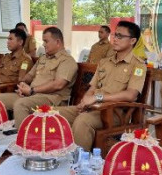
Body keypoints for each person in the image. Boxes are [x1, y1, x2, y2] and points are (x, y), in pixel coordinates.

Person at [56, 21, 146, 150]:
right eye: (115, 35)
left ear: (132, 41)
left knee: (83, 121)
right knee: (53, 114)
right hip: (92, 107)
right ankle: (56, 155)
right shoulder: (104, 62)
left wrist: (97, 98)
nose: (115, 39)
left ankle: (79, 164)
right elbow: (92, 87)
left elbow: (131, 95)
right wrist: (84, 102)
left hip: (114, 113)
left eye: (120, 36)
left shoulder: (138, 65)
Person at [0, 27, 78, 129]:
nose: (43, 44)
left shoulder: (67, 61)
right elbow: (30, 76)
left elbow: (58, 84)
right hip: (32, 95)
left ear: (57, 42)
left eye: (46, 41)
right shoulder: (43, 58)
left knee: (21, 104)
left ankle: (24, 140)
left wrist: (32, 90)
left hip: (52, 98)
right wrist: (23, 83)